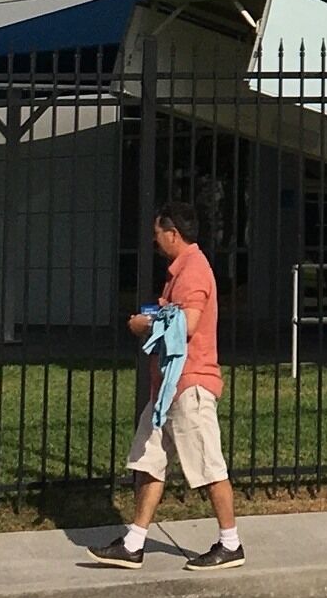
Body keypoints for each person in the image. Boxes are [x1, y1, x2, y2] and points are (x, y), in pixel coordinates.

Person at [98, 204, 243, 570]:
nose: (154, 239)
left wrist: (145, 324)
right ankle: (134, 542)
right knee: (149, 461)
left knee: (209, 467)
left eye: (157, 232)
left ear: (173, 234)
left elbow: (190, 323)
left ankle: (230, 543)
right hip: (167, 388)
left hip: (189, 384)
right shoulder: (181, 270)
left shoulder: (193, 271)